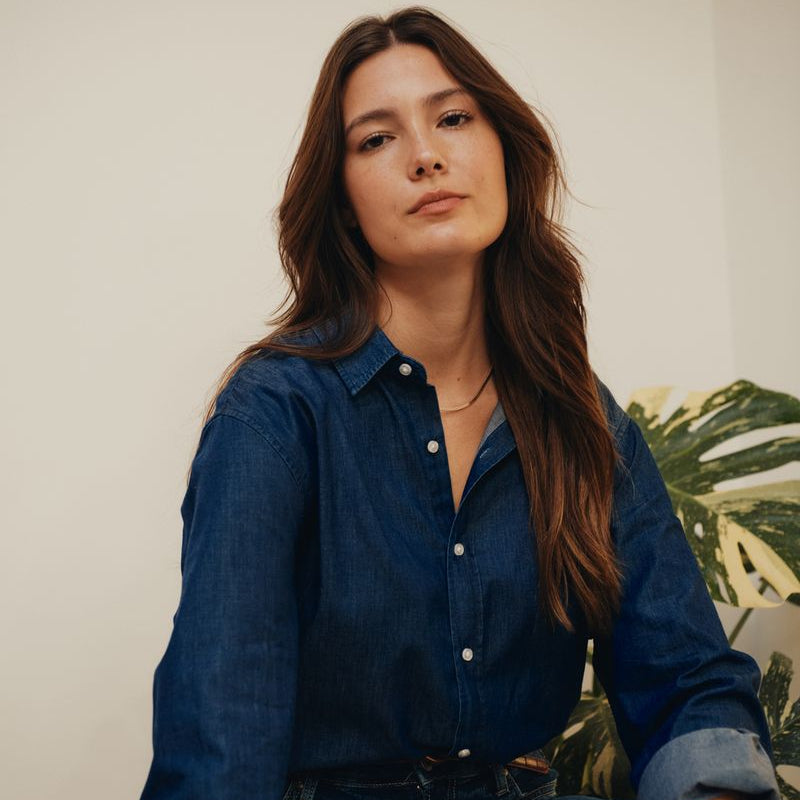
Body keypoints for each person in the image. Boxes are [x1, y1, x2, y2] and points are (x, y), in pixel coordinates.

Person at [139, 7, 781, 800]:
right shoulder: (275, 415)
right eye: (377, 139)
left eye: (452, 118)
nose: (426, 156)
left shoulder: (579, 417)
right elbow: (221, 732)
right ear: (342, 199)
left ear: (504, 151)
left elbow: (687, 682)